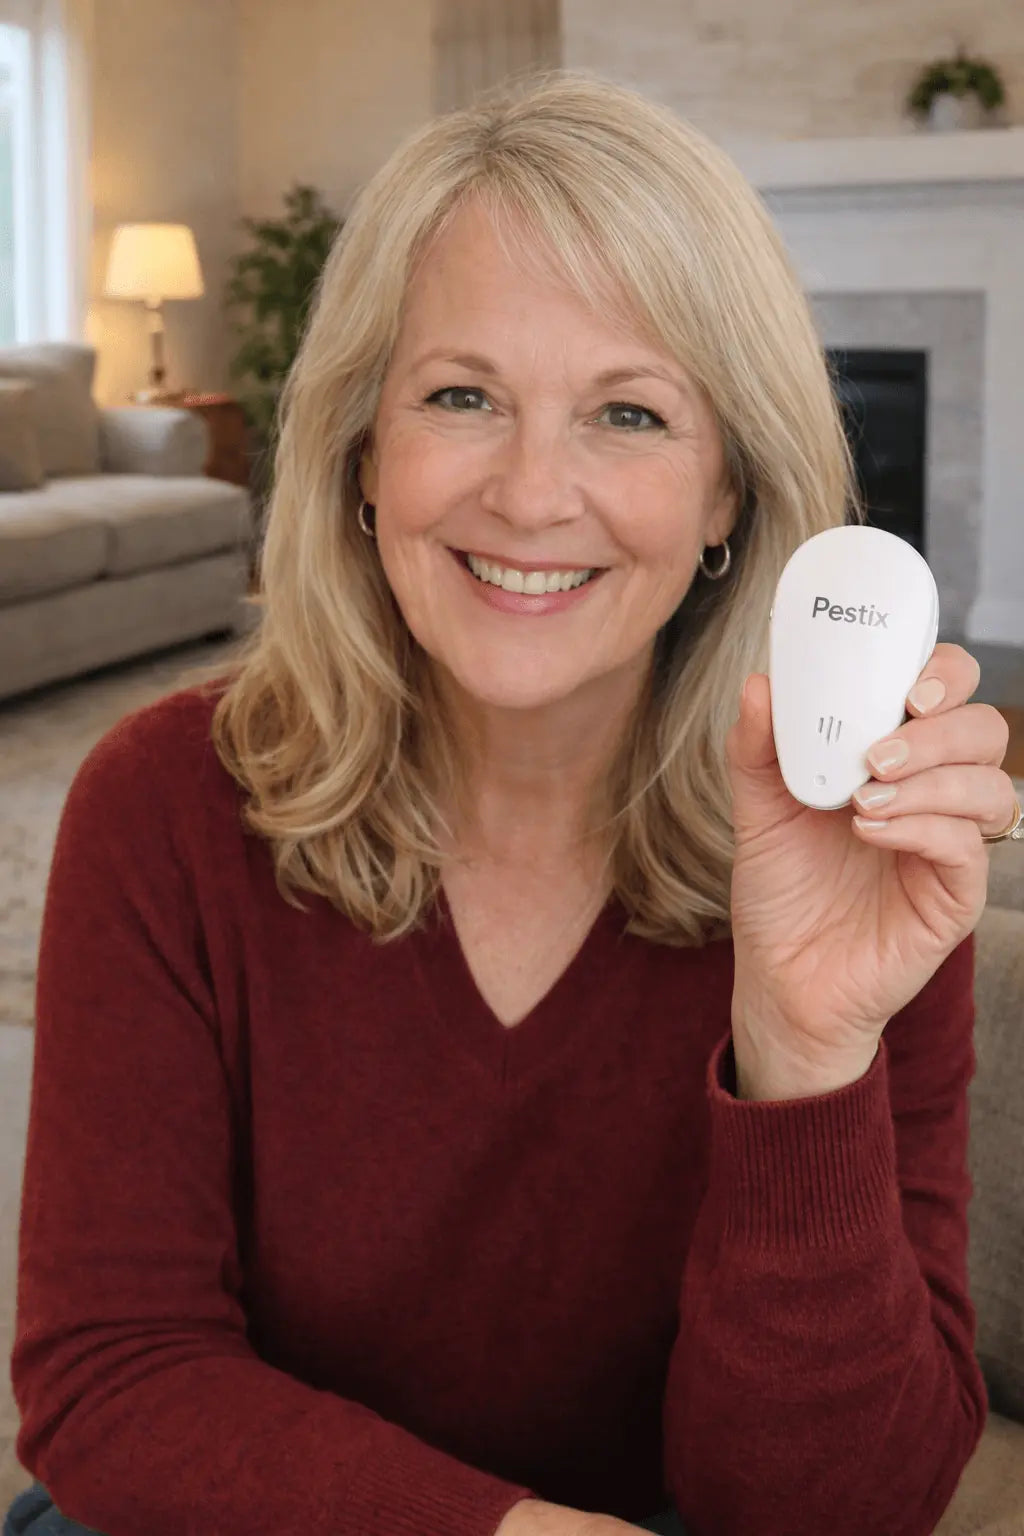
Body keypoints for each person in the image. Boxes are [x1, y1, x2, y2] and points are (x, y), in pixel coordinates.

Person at [5, 68, 1021, 1536]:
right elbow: (111, 1379)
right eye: (462, 396)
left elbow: (847, 1509)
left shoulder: (856, 855)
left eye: (629, 413)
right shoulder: (161, 808)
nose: (535, 494)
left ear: (727, 496)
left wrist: (806, 1055)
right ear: (364, 452)